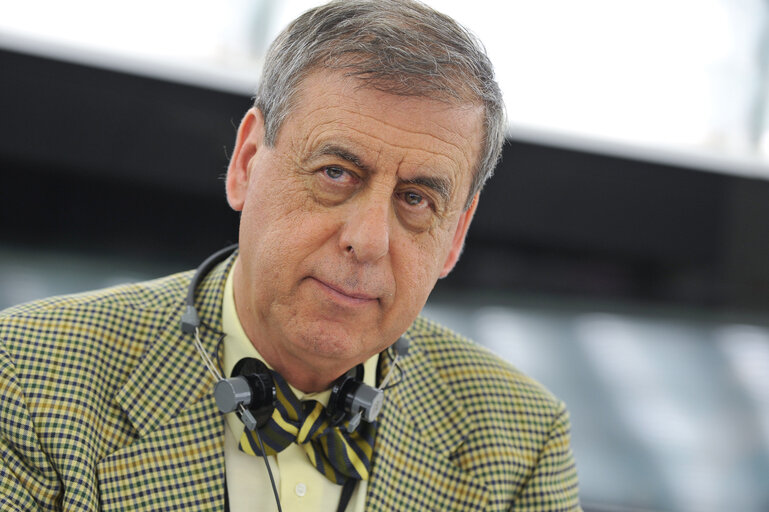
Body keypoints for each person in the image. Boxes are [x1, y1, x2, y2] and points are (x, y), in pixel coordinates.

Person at [0, 0, 581, 510]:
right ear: (247, 164)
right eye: (336, 172)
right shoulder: (26, 378)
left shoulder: (523, 439)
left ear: (455, 236)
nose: (369, 240)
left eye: (415, 199)